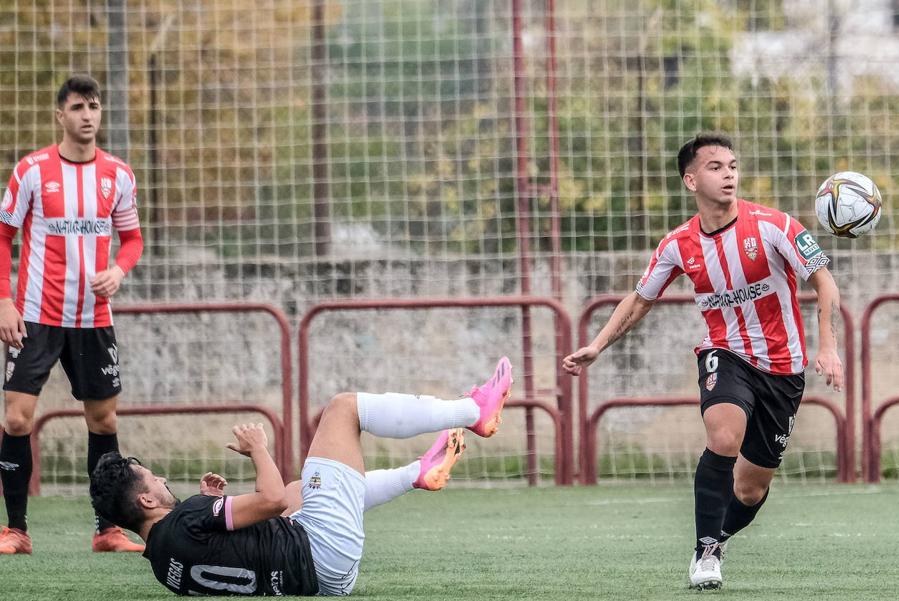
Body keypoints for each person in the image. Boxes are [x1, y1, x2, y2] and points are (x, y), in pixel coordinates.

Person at [563, 133, 844, 590]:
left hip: (783, 369)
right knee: (724, 434)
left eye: (732, 165)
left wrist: (827, 346)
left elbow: (825, 282)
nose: (728, 173)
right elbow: (639, 300)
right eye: (715, 166)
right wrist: (597, 345)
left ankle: (719, 533)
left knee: (751, 489)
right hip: (726, 355)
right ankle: (707, 550)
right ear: (691, 179)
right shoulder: (678, 245)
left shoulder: (777, 226)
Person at [90, 357, 513, 596]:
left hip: (320, 580)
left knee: (299, 490)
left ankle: (417, 474)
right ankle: (474, 412)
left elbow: (258, 526)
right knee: (344, 408)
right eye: (151, 478)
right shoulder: (186, 519)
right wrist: (258, 449)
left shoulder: (163, 566)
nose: (161, 477)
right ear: (146, 501)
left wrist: (210, 504)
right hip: (324, 549)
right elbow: (270, 500)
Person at [0, 74, 145, 555]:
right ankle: (16, 531)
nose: (88, 115)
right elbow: (3, 237)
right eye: (79, 107)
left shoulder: (118, 175)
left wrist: (119, 272)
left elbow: (133, 240)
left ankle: (107, 530)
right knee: (18, 419)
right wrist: (4, 300)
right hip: (37, 317)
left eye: (95, 106)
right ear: (60, 115)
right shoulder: (32, 171)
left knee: (103, 422)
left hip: (93, 318)